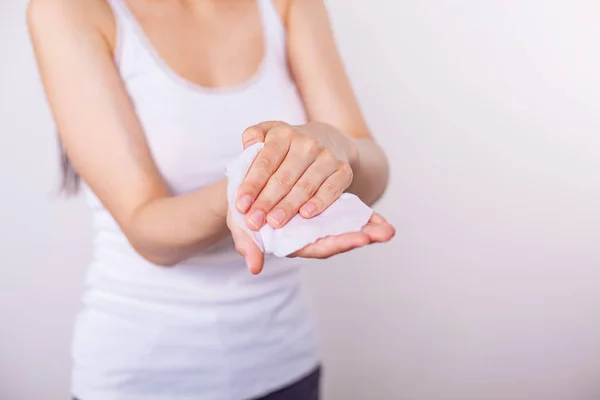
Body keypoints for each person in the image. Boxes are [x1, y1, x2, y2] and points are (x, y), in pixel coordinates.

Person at [27, 0, 394, 398]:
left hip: (284, 364)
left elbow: (370, 168)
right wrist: (242, 190)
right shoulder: (69, 10)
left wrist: (338, 148)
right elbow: (145, 227)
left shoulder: (288, 5)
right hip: (143, 376)